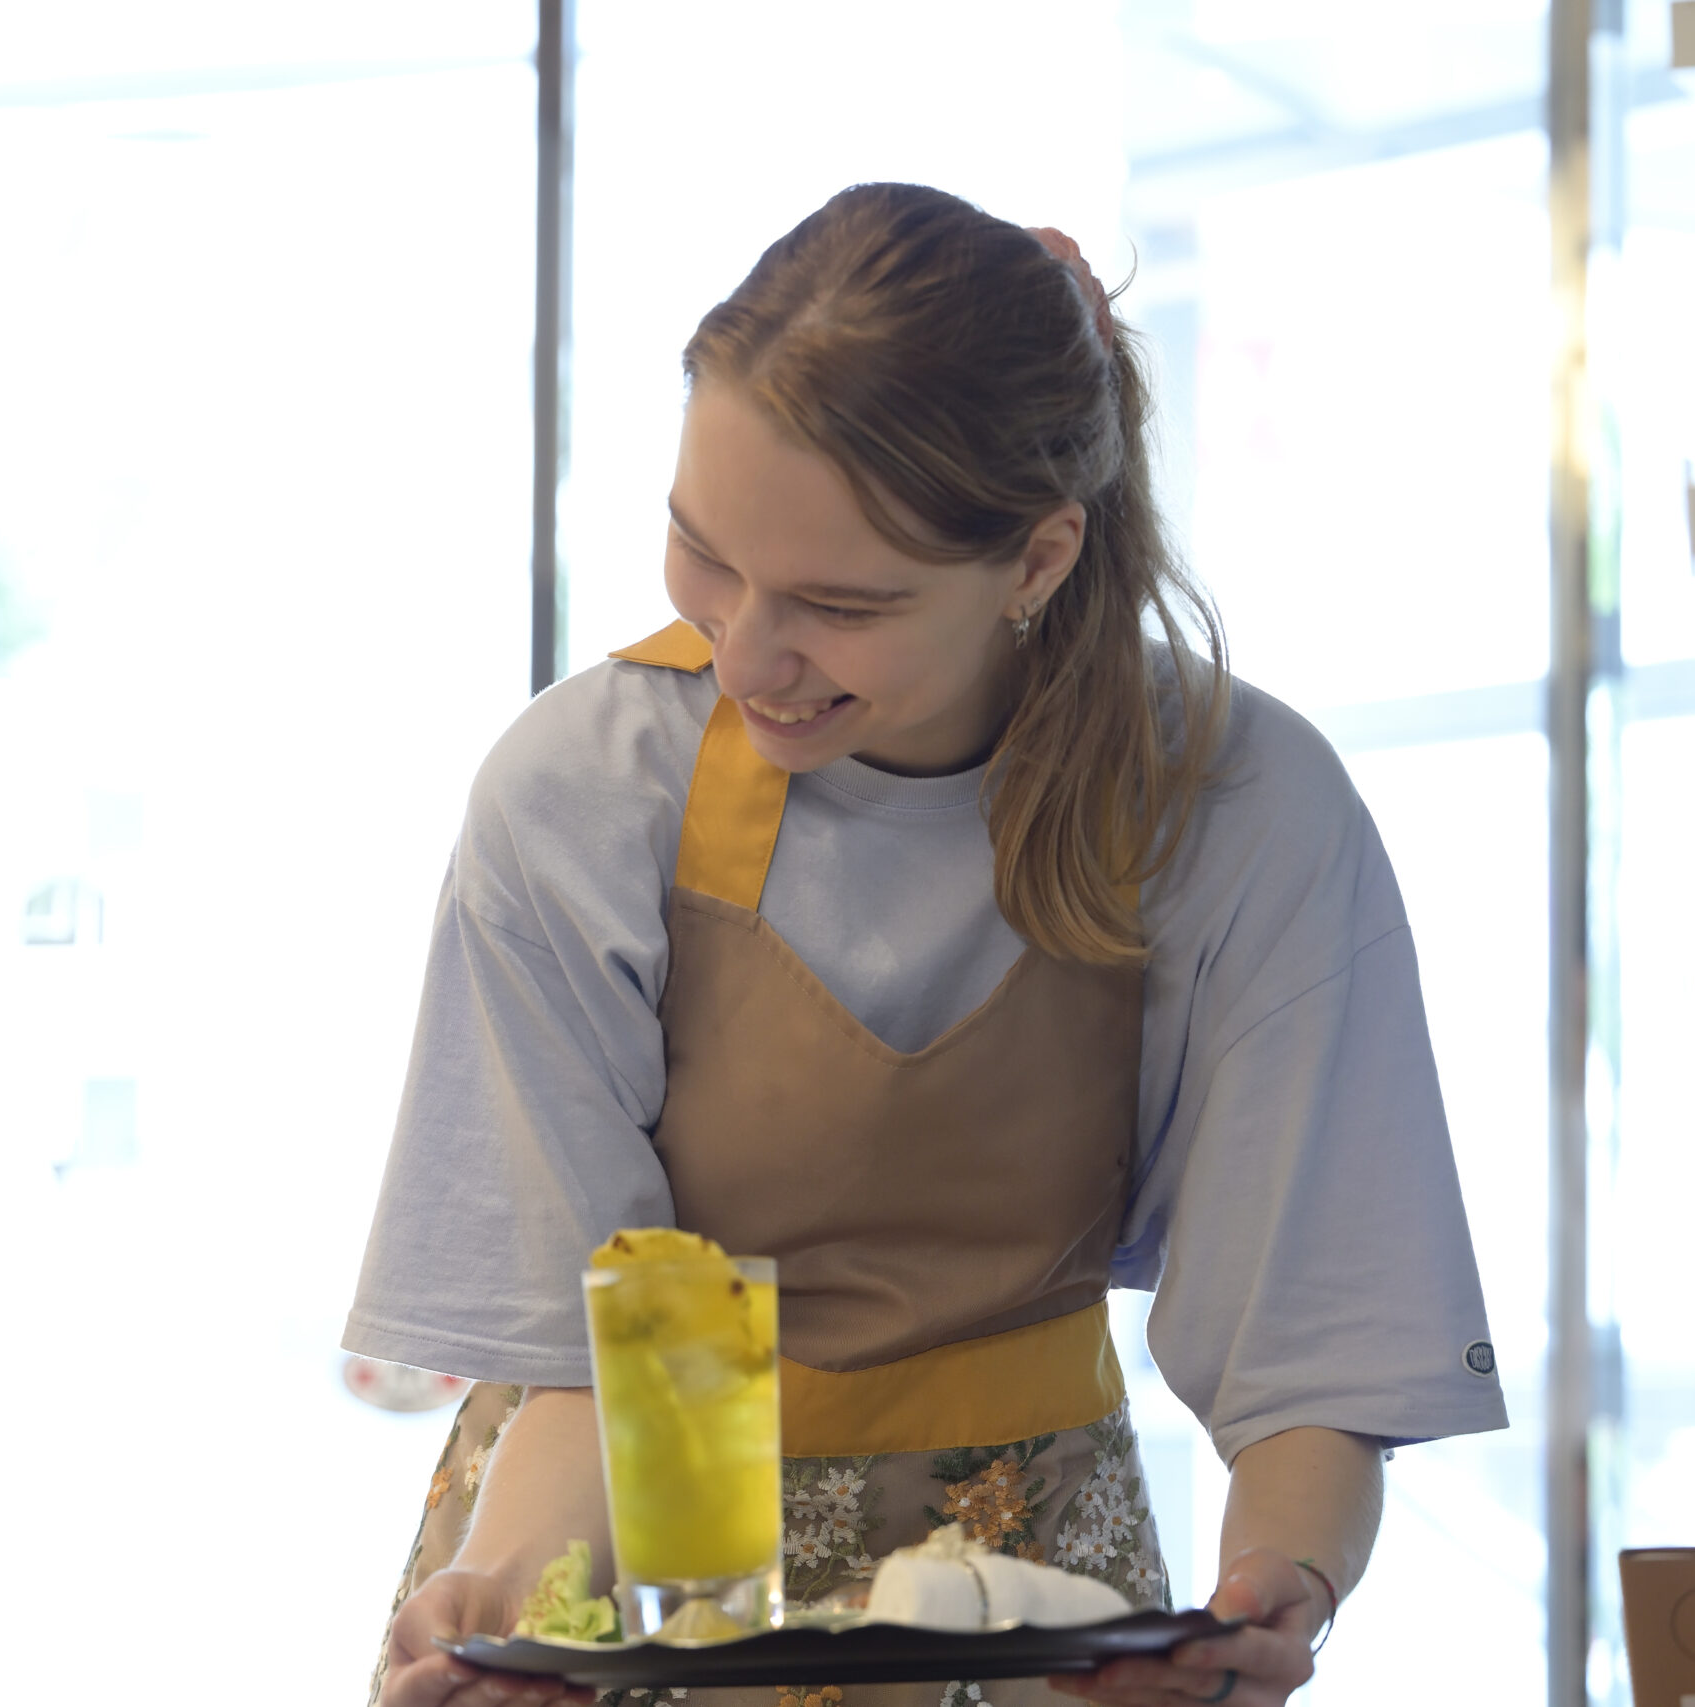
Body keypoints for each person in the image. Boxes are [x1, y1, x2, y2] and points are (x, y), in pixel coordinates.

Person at [348, 183, 1507, 1707]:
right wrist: (504, 1604)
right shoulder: (581, 793)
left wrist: (1279, 1585)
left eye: (838, 603)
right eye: (702, 554)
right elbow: (581, 1348)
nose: (745, 653)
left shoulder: (1236, 807)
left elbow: (1315, 1336)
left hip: (1034, 1599)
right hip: (625, 1568)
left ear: (1037, 560)